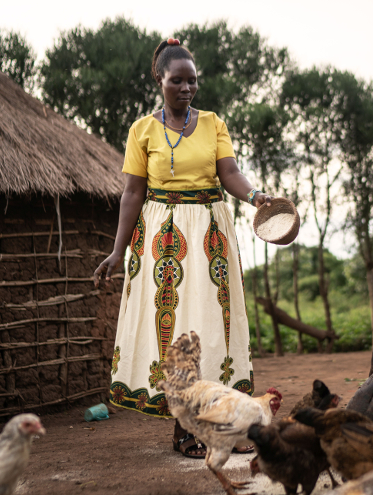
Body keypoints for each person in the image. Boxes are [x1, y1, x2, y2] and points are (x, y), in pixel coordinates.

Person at [93, 38, 272, 458]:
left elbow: (229, 172)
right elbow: (132, 194)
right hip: (164, 242)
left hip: (211, 236)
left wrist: (254, 195)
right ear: (160, 80)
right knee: (177, 335)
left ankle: (225, 427)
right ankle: (186, 429)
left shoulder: (213, 123)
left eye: (193, 81)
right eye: (178, 80)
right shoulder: (143, 130)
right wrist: (118, 252)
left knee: (214, 331)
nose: (187, 88)